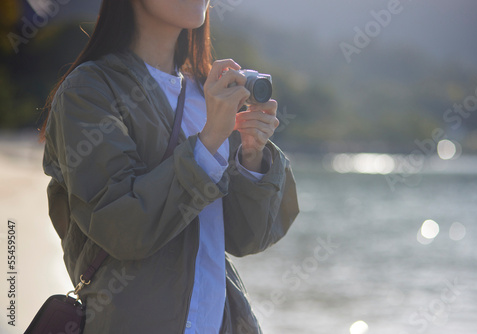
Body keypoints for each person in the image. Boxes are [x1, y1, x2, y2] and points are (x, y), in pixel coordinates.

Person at [40, 0, 299, 333]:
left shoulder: (208, 93)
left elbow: (246, 238)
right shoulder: (89, 91)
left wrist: (251, 155)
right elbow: (121, 227)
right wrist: (208, 143)